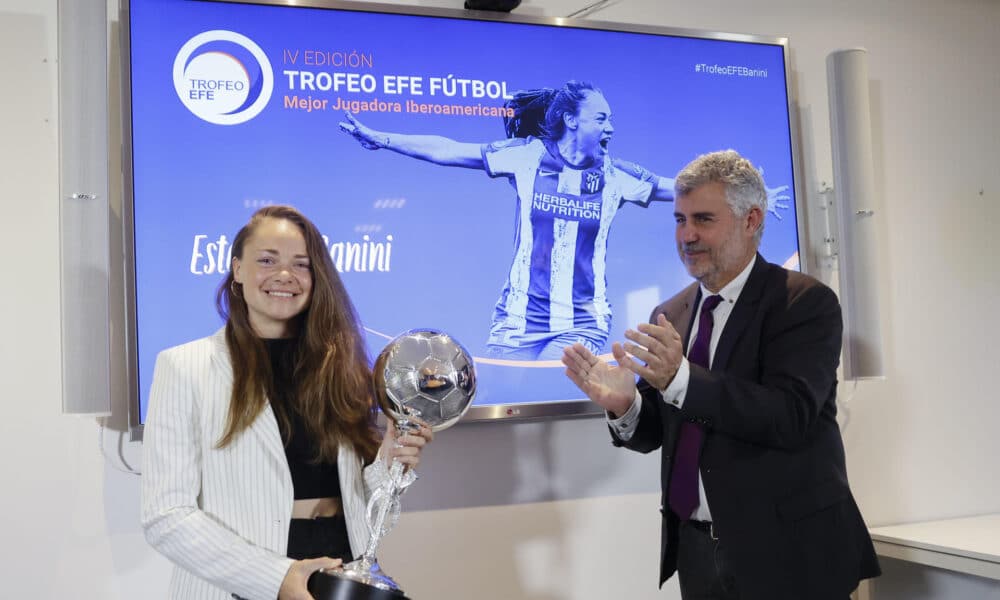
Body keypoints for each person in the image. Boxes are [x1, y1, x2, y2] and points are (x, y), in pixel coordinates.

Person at [561, 150, 879, 599]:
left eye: (703, 219)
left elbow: (789, 417)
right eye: (679, 219)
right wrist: (626, 406)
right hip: (698, 551)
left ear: (751, 220)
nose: (686, 235)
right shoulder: (670, 313)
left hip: (790, 555)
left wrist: (680, 379)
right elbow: (661, 432)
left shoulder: (802, 304)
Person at [340, 81, 790, 361]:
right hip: (516, 320)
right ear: (572, 121)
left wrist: (755, 196)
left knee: (558, 377)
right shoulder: (527, 157)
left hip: (581, 321)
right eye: (601, 117)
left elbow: (688, 188)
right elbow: (447, 148)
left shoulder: (617, 177)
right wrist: (381, 138)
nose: (611, 126)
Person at [141, 205, 434, 600]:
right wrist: (278, 578)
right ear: (238, 270)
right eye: (266, 260)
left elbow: (359, 503)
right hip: (242, 581)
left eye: (302, 264)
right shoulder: (184, 366)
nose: (285, 276)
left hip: (338, 568)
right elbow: (166, 516)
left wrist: (390, 460)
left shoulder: (340, 366)